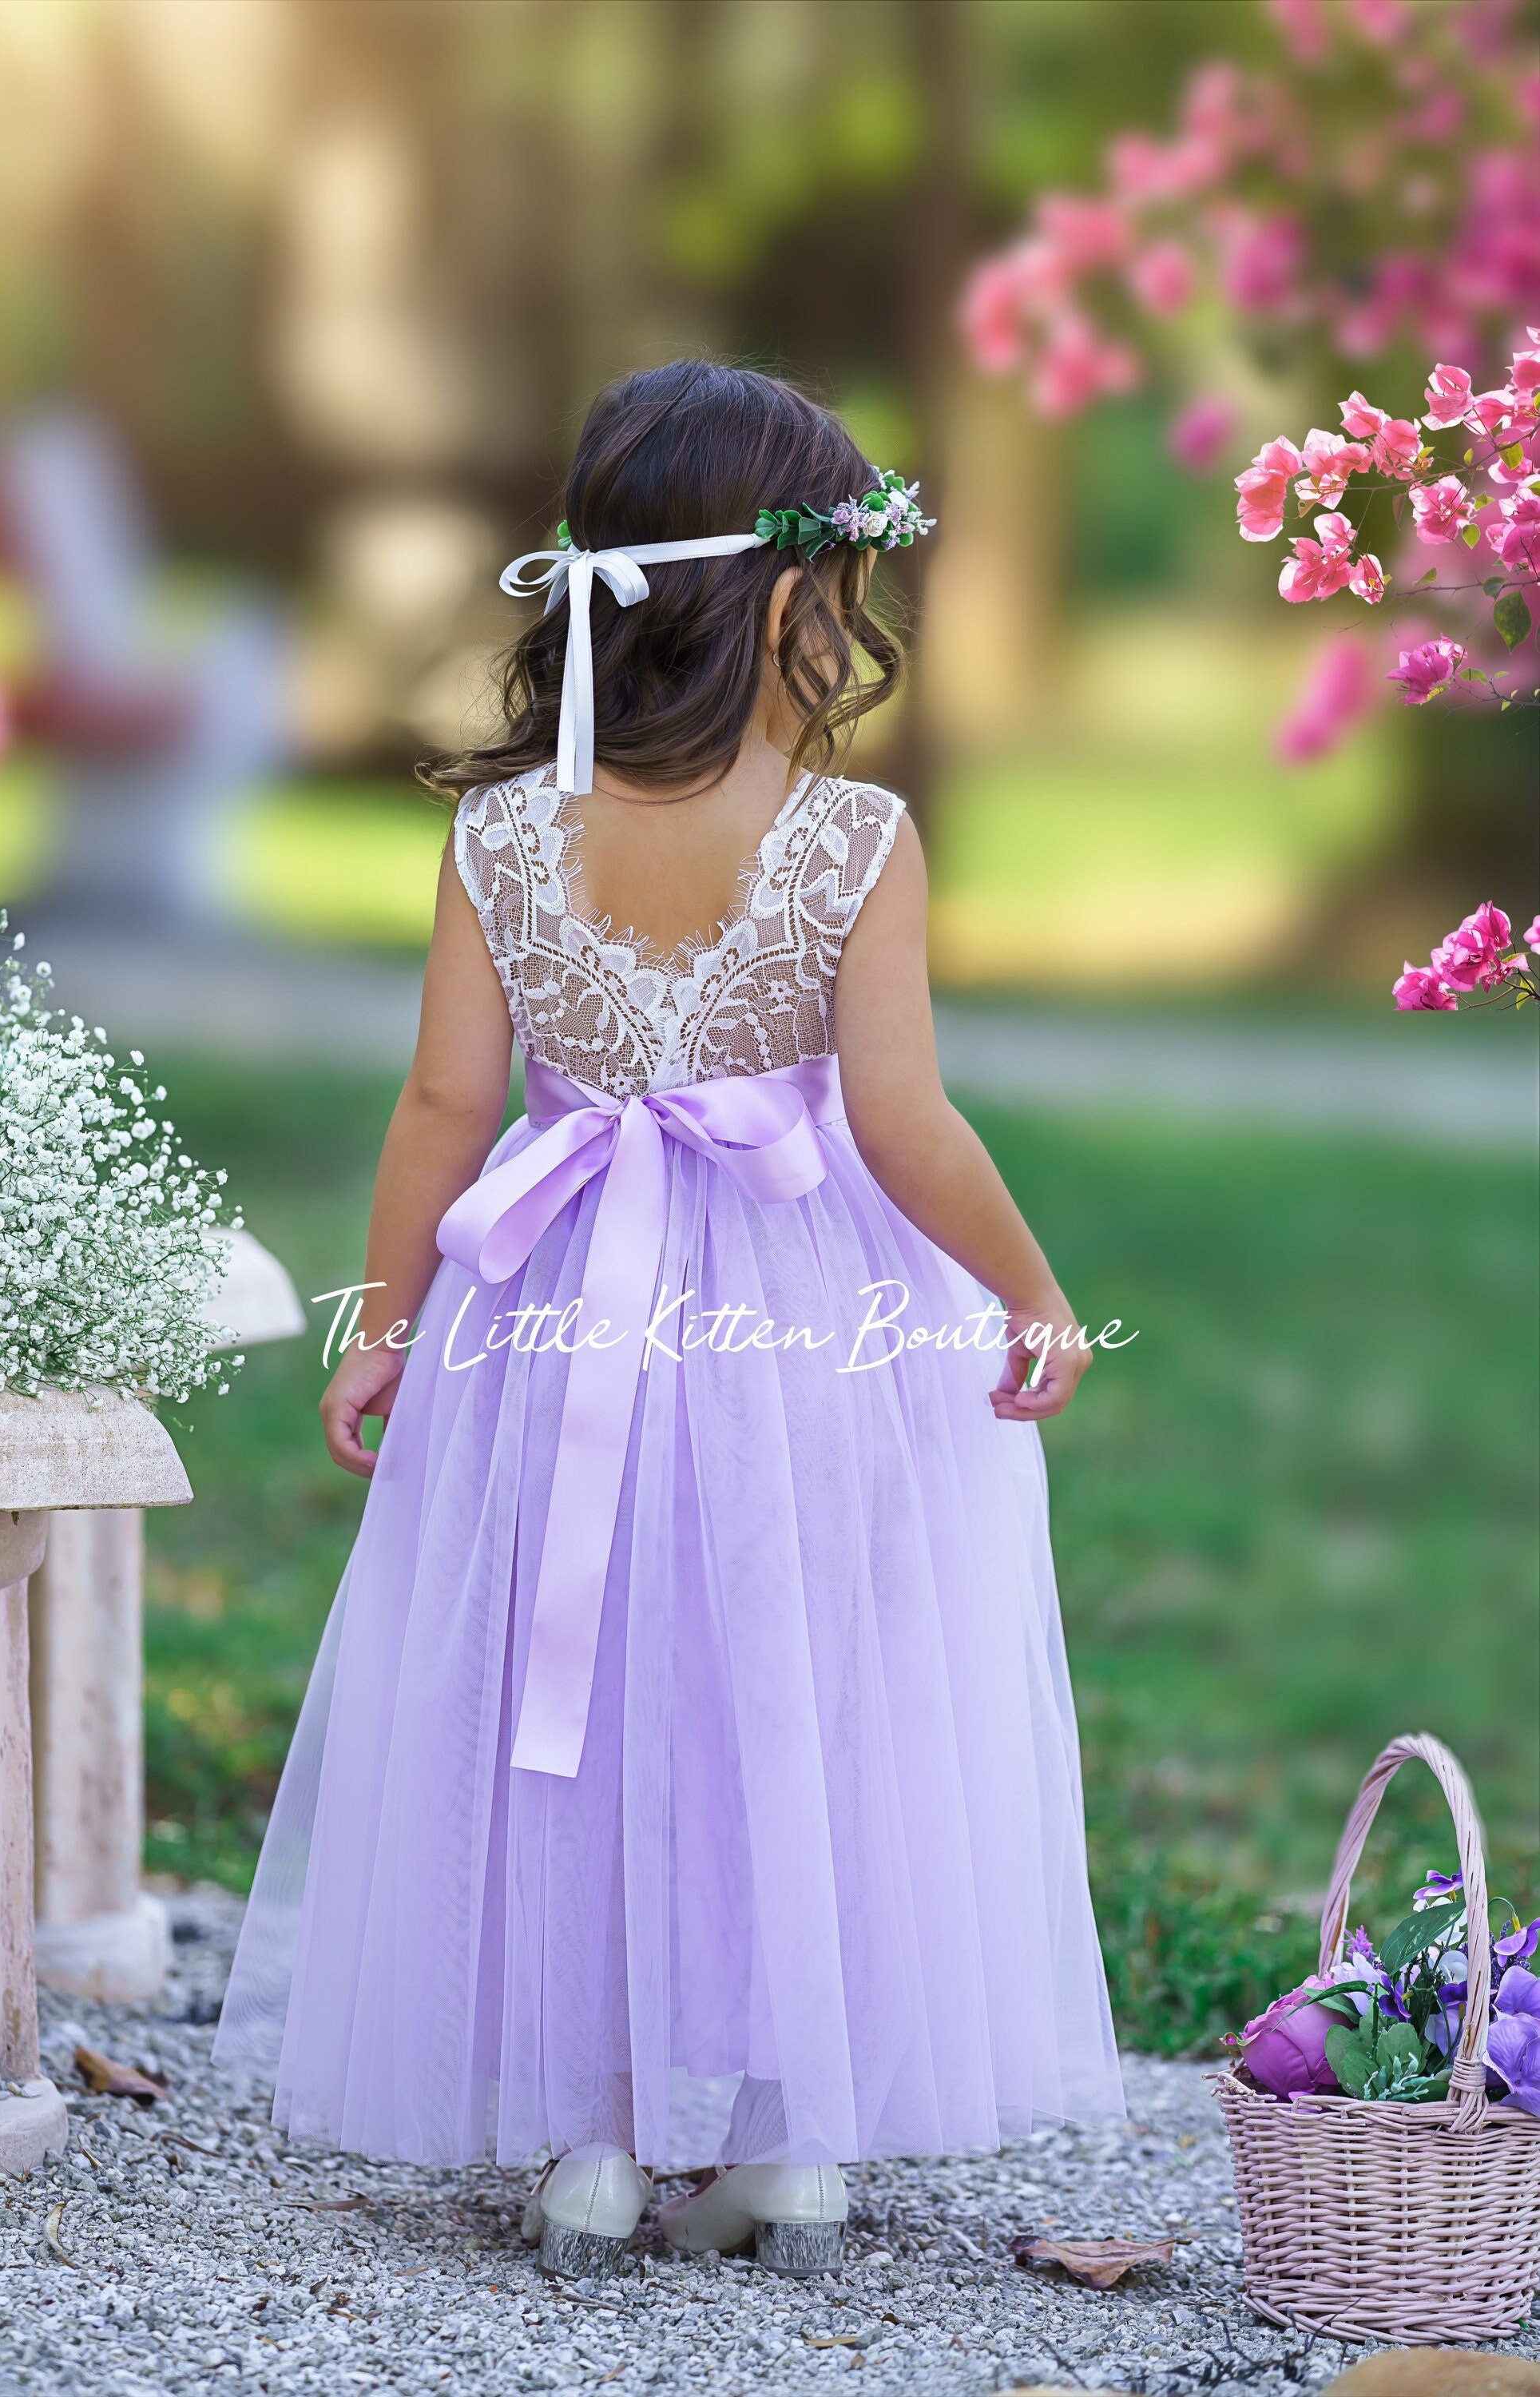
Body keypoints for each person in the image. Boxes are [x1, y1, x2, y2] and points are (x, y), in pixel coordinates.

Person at [214, 359, 1123, 2280]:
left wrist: (381, 1322)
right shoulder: (853, 841)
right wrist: (1033, 1292)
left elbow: (444, 1108)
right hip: (805, 1331)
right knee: (789, 1696)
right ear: (794, 602)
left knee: (587, 1703)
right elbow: (903, 1122)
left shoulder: (501, 839)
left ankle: (599, 2139)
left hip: (549, 1319)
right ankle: (791, 2137)